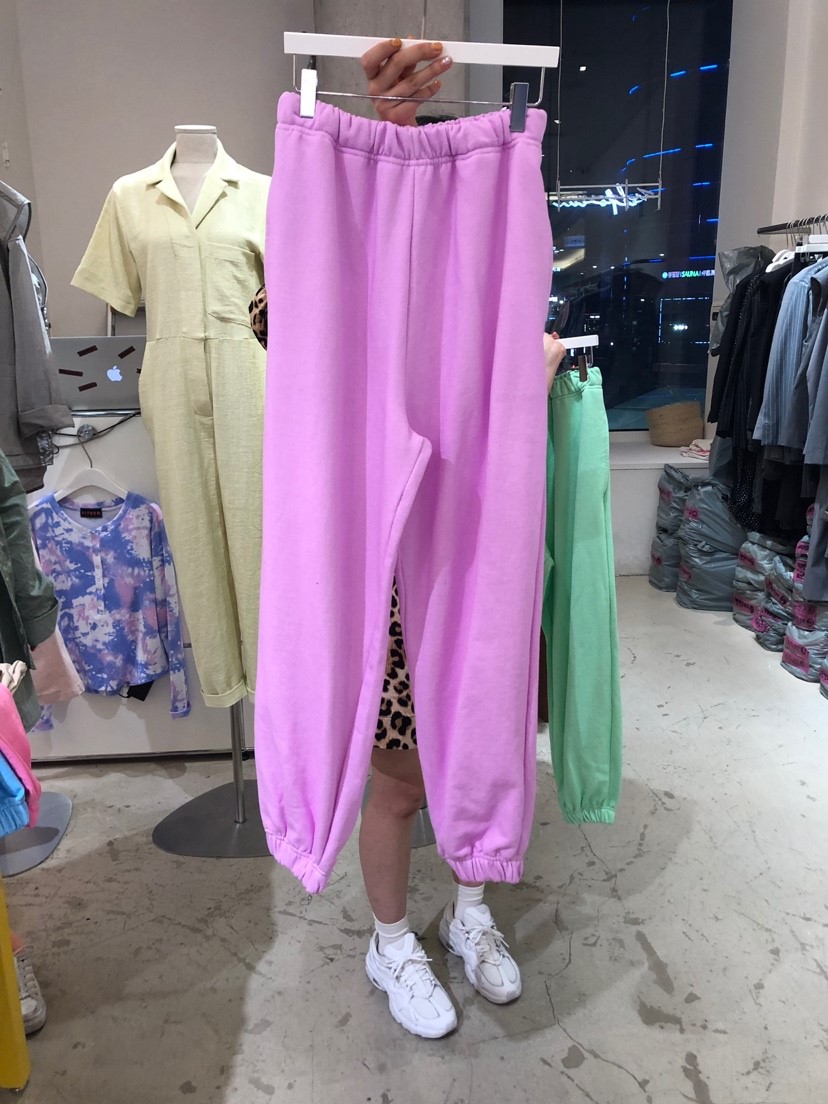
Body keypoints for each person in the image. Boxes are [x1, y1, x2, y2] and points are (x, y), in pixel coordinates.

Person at [251, 39, 567, 1038]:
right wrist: (368, 151)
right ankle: (391, 939)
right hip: (383, 583)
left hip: (474, 526)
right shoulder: (324, 210)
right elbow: (288, 329)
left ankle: (472, 908)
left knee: (480, 710)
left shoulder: (496, 196)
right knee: (397, 778)